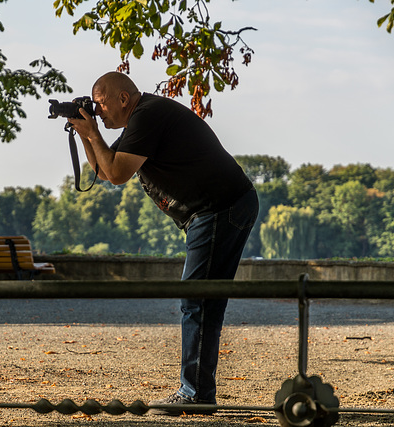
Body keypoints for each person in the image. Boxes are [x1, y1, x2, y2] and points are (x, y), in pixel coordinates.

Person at [68, 71, 259, 415]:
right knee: (204, 300)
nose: (98, 111)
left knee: (196, 299)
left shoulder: (147, 116)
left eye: (100, 103)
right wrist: (86, 136)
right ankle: (200, 391)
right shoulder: (139, 122)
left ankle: (196, 394)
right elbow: (103, 170)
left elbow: (117, 174)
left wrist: (92, 132)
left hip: (219, 207)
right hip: (222, 206)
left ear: (123, 99)